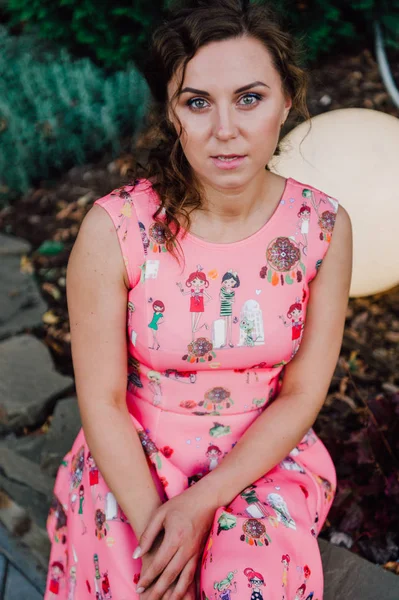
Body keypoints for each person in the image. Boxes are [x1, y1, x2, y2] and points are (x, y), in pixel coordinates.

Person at [44, 1, 353, 599]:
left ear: (287, 101)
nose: (225, 130)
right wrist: (161, 534)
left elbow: (302, 395)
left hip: (263, 458)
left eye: (249, 97)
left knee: (245, 584)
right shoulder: (117, 229)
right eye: (197, 102)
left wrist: (202, 505)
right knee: (147, 583)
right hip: (133, 456)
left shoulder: (321, 228)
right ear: (171, 111)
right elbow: (102, 402)